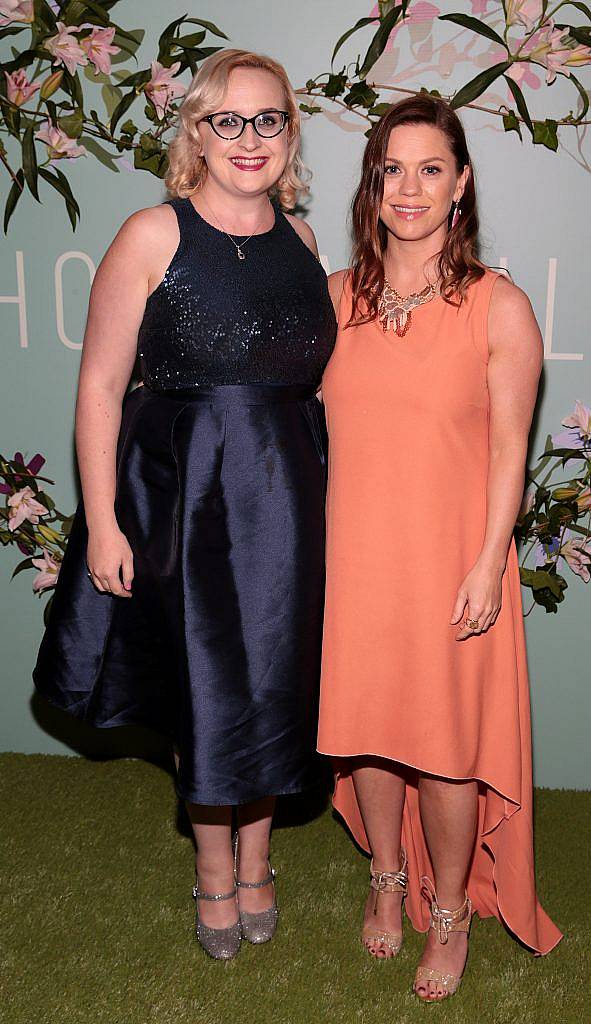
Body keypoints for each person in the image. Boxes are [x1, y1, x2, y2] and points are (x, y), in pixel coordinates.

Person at [33, 49, 336, 960]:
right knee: (206, 689)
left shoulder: (305, 243)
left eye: (268, 119)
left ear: (289, 130)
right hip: (182, 500)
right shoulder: (151, 236)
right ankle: (214, 871)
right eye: (227, 121)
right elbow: (98, 389)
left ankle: (257, 862)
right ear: (195, 132)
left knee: (277, 683)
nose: (250, 140)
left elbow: (314, 392)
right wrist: (101, 522)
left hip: (287, 500)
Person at [317, 95, 562, 1001]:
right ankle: (387, 879)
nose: (410, 189)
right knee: (371, 737)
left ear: (459, 184)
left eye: (431, 169)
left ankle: (450, 908)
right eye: (392, 169)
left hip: (453, 564)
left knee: (445, 748)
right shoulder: (333, 300)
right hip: (355, 562)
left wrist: (487, 561)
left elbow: (510, 452)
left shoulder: (497, 307)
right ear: (372, 186)